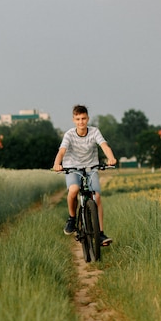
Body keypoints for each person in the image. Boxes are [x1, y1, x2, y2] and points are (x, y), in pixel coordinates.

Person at [53, 105, 117, 246]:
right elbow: (62, 151)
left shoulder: (94, 132)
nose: (81, 122)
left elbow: (104, 146)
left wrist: (111, 158)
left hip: (90, 168)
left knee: (97, 196)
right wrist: (57, 164)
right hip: (72, 167)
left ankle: (100, 234)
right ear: (73, 120)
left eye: (83, 118)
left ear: (88, 118)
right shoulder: (69, 134)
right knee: (74, 189)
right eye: (78, 119)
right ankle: (71, 218)